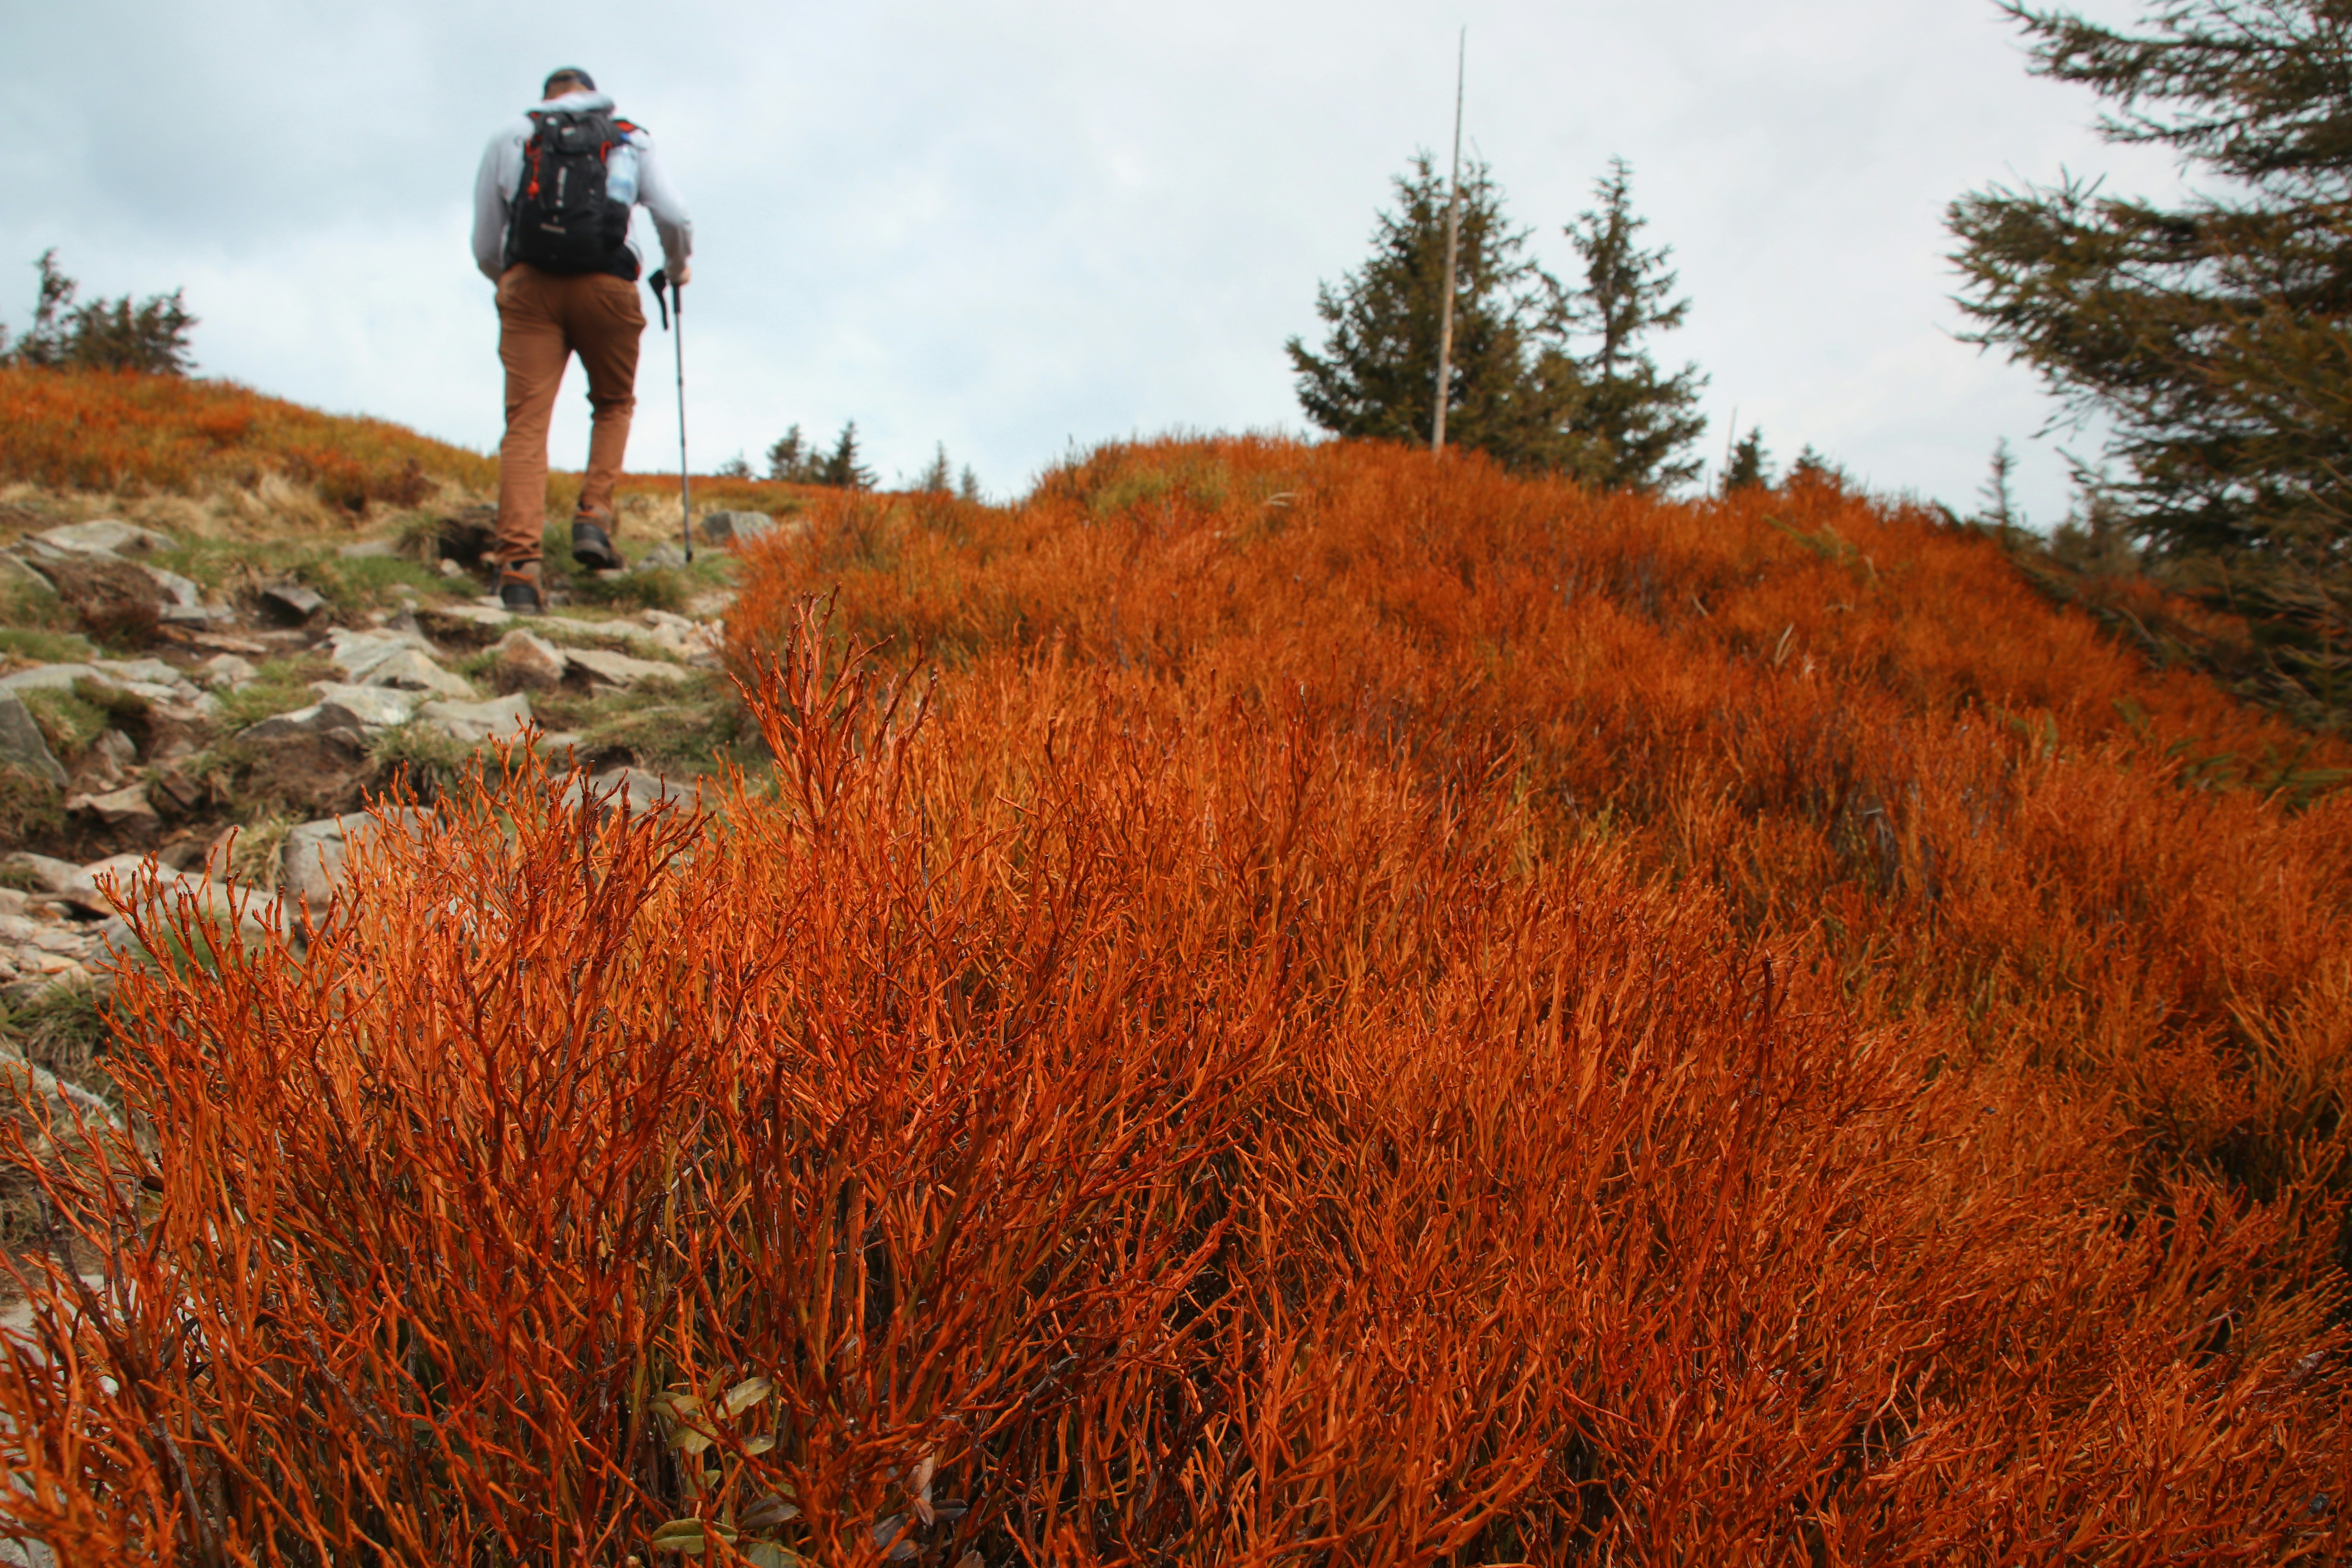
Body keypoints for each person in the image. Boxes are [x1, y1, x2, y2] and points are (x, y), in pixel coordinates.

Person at [472, 67, 692, 613]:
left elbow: (484, 240)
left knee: (526, 422)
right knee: (613, 403)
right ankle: (593, 520)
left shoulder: (512, 136)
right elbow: (674, 215)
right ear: (591, 95)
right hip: (608, 286)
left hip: (529, 287)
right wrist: (678, 266)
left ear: (547, 98)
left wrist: (512, 281)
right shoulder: (628, 137)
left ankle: (519, 570)